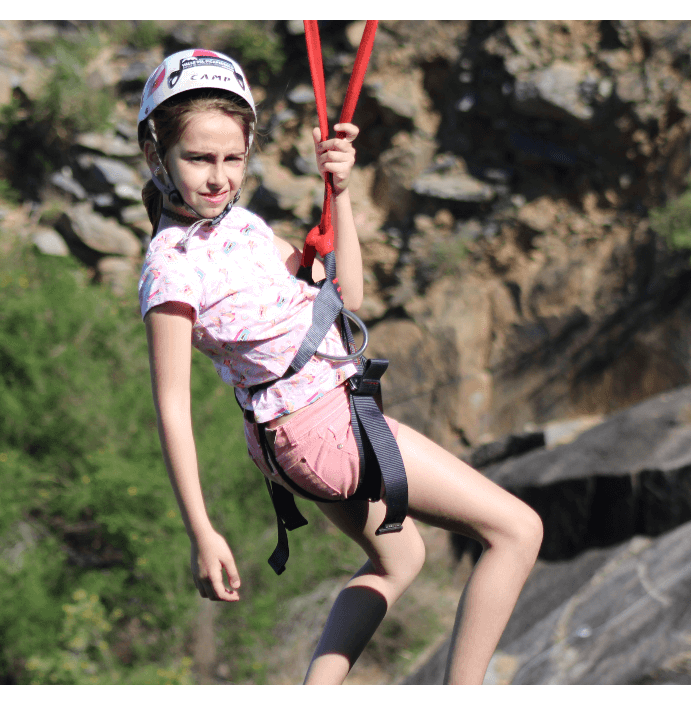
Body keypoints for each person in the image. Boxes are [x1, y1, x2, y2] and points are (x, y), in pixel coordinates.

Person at [137, 49, 544, 685]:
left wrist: (342, 193)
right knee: (518, 530)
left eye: (233, 159)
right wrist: (202, 530)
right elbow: (171, 406)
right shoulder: (171, 267)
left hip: (304, 430)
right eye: (198, 159)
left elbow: (345, 294)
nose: (218, 178)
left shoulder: (240, 228)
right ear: (154, 156)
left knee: (398, 558)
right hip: (320, 429)